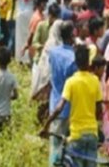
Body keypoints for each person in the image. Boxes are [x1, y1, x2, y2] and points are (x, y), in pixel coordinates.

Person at [41, 45, 103, 167]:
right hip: (92, 133)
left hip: (76, 134)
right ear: (88, 62)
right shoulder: (95, 80)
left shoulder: (71, 82)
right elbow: (99, 109)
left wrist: (46, 125)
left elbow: (59, 107)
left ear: (76, 62)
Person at [47, 22, 77, 165]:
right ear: (72, 36)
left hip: (54, 103)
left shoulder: (53, 52)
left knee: (55, 145)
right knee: (68, 150)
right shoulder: (73, 58)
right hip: (68, 106)